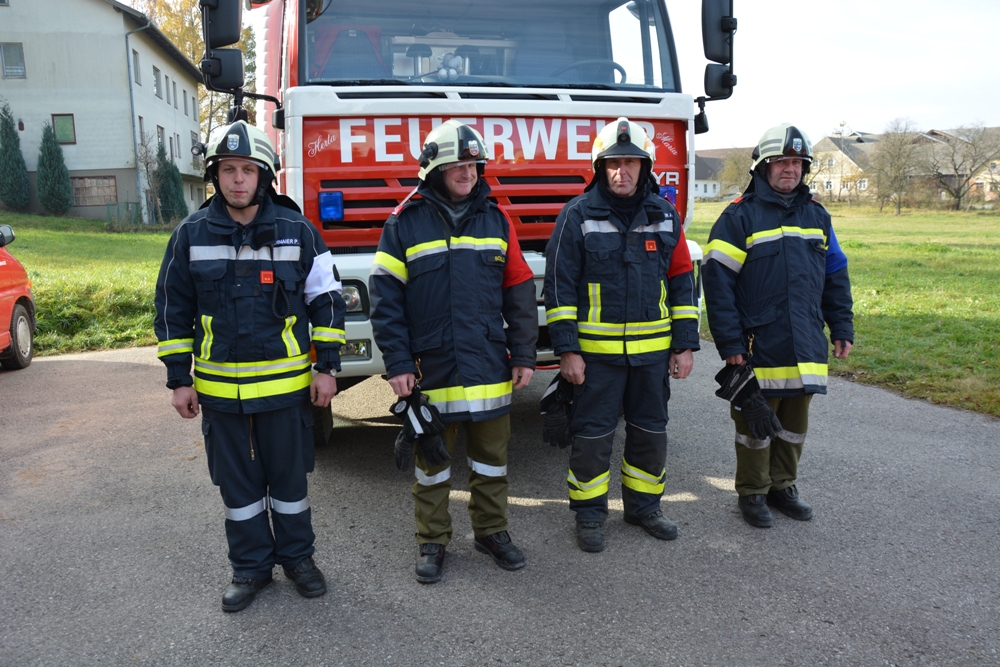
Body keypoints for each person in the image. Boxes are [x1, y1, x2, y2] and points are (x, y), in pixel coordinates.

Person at [154, 120, 346, 611]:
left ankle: (298, 560)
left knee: (290, 485)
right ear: (214, 176)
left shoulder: (298, 232)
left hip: (285, 394)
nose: (237, 179)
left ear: (264, 176)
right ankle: (250, 568)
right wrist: (178, 379)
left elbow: (327, 302)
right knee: (238, 491)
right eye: (228, 170)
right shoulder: (190, 234)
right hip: (221, 396)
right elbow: (172, 310)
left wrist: (327, 368)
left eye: (247, 169)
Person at [369, 120, 538, 583]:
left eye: (473, 165)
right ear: (434, 170)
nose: (467, 173)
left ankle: (492, 532)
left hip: (488, 363)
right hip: (433, 367)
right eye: (456, 166)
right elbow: (386, 300)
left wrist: (525, 353)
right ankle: (432, 540)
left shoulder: (497, 219)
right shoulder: (403, 223)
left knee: (492, 462)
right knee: (431, 463)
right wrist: (398, 363)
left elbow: (520, 288)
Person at [543, 117, 700, 553]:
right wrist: (567, 351)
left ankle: (644, 508)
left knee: (650, 433)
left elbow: (682, 282)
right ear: (600, 167)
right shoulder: (577, 216)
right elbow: (557, 287)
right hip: (597, 359)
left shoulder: (665, 216)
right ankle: (590, 515)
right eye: (613, 163)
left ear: (645, 167)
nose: (622, 171)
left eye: (631, 162)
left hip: (652, 357)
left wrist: (685, 344)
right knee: (593, 438)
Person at [702, 123, 855, 528]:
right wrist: (730, 344)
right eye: (781, 162)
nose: (790, 169)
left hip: (806, 340)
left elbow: (835, 275)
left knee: (793, 425)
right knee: (754, 423)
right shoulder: (738, 217)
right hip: (758, 343)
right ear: (763, 167)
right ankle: (752, 492)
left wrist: (841, 326)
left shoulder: (817, 215)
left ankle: (782, 485)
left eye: (797, 163)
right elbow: (717, 285)